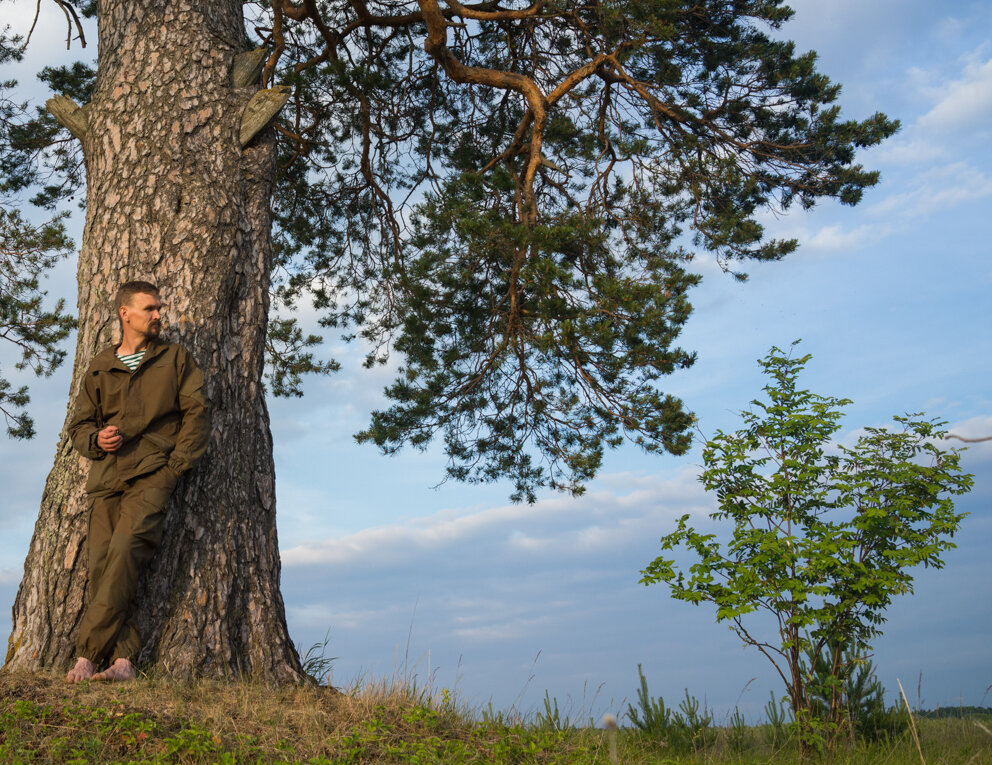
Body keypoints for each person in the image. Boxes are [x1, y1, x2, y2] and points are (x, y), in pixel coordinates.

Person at [64, 281, 209, 683]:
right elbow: (79, 425)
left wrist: (175, 467)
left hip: (153, 473)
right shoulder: (100, 365)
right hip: (108, 478)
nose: (159, 315)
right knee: (103, 566)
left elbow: (198, 413)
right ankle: (124, 660)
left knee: (126, 549)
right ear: (125, 313)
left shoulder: (176, 359)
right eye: (150, 308)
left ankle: (87, 656)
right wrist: (96, 439)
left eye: (159, 308)